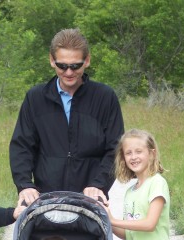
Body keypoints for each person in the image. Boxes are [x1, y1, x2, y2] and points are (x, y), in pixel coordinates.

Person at [9, 28, 124, 206]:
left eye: (75, 65)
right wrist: (25, 185)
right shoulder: (35, 98)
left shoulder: (105, 97)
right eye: (62, 66)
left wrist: (98, 184)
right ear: (51, 60)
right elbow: (22, 146)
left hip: (90, 199)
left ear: (87, 60)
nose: (69, 72)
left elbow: (115, 148)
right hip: (46, 198)